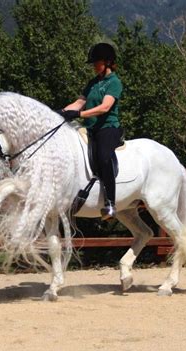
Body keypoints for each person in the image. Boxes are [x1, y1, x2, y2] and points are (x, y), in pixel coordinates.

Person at [57, 42, 123, 220]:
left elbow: (104, 107)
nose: (94, 66)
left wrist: (79, 114)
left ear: (107, 62)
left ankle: (110, 203)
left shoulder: (114, 83)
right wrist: (60, 113)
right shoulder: (93, 83)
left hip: (108, 128)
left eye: (97, 62)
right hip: (90, 128)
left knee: (103, 156)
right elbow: (79, 102)